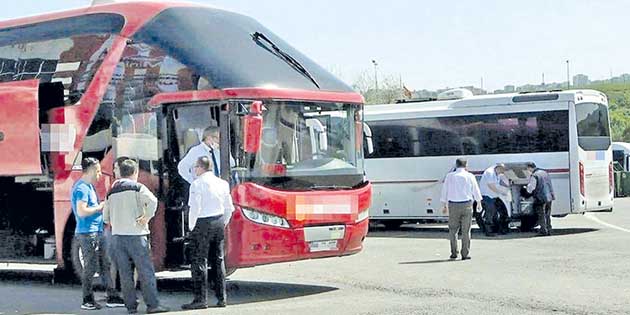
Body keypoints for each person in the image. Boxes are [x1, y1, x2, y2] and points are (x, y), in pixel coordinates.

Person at [103, 159, 169, 314]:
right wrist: (146, 217)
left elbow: (106, 218)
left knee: (125, 273)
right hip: (137, 235)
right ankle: (152, 305)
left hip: (118, 236)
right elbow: (153, 201)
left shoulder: (111, 192)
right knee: (145, 271)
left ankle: (131, 307)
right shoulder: (138, 188)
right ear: (135, 172)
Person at [70, 157, 124, 310]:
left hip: (96, 231)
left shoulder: (90, 187)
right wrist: (100, 207)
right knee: (90, 267)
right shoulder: (81, 188)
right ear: (91, 170)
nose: (100, 174)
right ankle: (87, 299)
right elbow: (81, 211)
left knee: (104, 265)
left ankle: (112, 296)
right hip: (88, 233)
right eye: (98, 171)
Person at [182, 156, 235, 310]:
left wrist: (191, 227)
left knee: (199, 261)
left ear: (200, 168)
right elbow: (229, 208)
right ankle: (222, 297)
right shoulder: (222, 183)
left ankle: (200, 299)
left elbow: (195, 209)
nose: (194, 171)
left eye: (194, 168)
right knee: (218, 260)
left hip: (202, 223)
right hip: (218, 221)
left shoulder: (196, 184)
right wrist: (223, 222)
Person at [440, 158, 482, 260]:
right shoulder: (470, 176)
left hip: (453, 205)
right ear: (466, 165)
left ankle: (454, 253)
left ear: (456, 165)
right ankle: (465, 254)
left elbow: (445, 190)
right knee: (466, 231)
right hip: (467, 205)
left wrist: (444, 204)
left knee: (453, 230)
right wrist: (479, 202)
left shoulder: (449, 176)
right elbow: (475, 189)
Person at [525, 162, 555, 236]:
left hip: (540, 197)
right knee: (547, 214)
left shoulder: (534, 175)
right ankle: (549, 229)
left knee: (541, 214)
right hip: (549, 196)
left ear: (529, 168)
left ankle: (543, 230)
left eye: (527, 169)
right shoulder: (544, 172)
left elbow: (531, 188)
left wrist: (526, 189)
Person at [479, 163, 509, 236]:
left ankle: (497, 229)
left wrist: (506, 186)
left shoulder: (496, 173)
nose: (502, 173)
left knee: (501, 211)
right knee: (490, 213)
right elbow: (491, 186)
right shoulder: (490, 172)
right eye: (502, 171)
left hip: (494, 196)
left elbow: (498, 183)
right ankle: (488, 231)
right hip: (487, 196)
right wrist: (501, 192)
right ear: (498, 168)